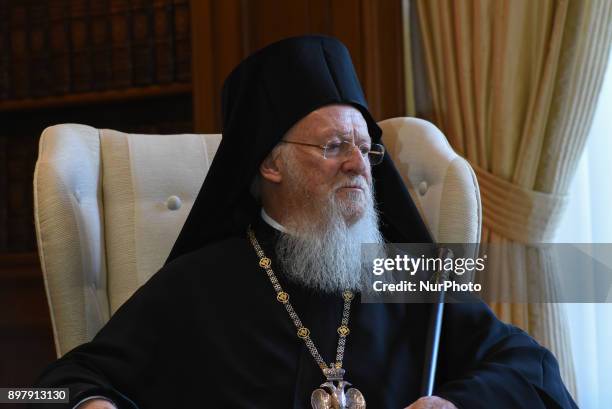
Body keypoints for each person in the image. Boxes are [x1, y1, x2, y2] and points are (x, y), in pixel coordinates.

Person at [33, 35, 577, 409]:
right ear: (270, 163)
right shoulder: (199, 284)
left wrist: (455, 403)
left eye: (366, 149)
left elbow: (531, 366)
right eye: (335, 145)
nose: (357, 165)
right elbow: (48, 389)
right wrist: (92, 402)